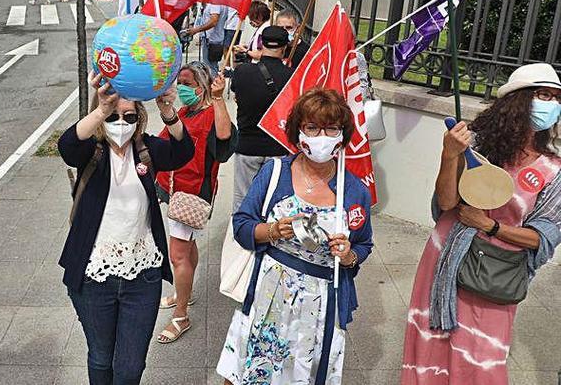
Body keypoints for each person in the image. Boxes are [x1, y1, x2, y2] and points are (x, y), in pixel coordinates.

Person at [401, 63, 561, 384]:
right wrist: (450, 155)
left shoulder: (553, 169)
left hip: (496, 276)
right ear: (518, 100)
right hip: (444, 258)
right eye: (543, 95)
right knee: (431, 346)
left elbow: (545, 237)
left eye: (556, 98)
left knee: (482, 359)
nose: (551, 105)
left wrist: (491, 227)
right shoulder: (476, 146)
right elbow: (446, 204)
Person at [216, 88, 374, 384]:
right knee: (249, 371)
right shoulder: (275, 172)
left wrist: (350, 255)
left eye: (331, 128)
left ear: (342, 135)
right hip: (269, 293)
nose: (321, 137)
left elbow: (364, 243)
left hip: (320, 305)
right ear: (298, 131)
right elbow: (242, 224)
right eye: (312, 127)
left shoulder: (354, 191)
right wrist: (272, 231)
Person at [59, 74, 195, 384]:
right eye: (113, 116)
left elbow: (183, 151)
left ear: (139, 118)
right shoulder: (91, 152)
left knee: (131, 367)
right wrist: (100, 110)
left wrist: (168, 111)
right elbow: (66, 146)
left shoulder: (147, 150)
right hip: (94, 275)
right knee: (101, 357)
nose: (121, 123)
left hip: (142, 276)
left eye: (129, 116)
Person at [154, 63, 237, 344]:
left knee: (177, 255)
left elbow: (225, 139)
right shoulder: (185, 112)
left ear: (200, 88)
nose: (182, 88)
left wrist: (219, 98)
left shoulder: (213, 113)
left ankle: (180, 316)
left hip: (192, 194)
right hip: (174, 190)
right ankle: (183, 293)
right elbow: (163, 142)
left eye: (187, 83)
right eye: (181, 82)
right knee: (186, 248)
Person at [229, 26, 294, 212]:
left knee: (243, 200)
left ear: (260, 44)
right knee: (274, 202)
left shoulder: (242, 72)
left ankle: (241, 236)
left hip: (247, 147)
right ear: (284, 47)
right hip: (277, 148)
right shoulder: (291, 77)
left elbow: (237, 94)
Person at [182, 3, 228, 75]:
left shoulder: (215, 4)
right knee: (211, 67)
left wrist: (196, 30)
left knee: (210, 68)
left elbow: (213, 21)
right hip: (213, 38)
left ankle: (212, 84)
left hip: (211, 39)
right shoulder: (218, 3)